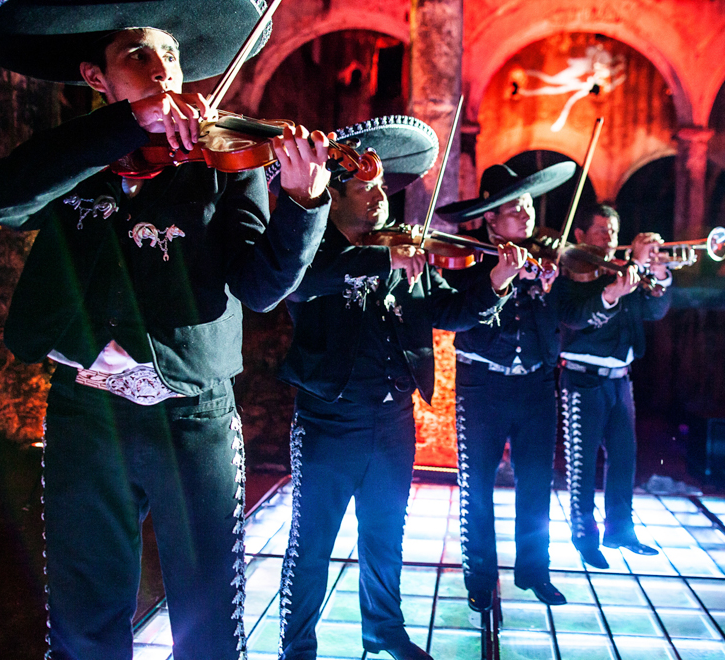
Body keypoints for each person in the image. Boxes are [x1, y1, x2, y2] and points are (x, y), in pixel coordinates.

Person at [0, 3, 333, 657]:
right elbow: (1, 198)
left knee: (208, 617)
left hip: (190, 415)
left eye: (170, 53)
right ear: (96, 77)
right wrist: (126, 126)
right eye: (138, 53)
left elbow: (258, 285)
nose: (162, 65)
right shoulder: (75, 160)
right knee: (84, 619)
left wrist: (302, 204)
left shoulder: (225, 163)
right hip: (87, 411)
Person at [276, 116, 527, 660]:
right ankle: (298, 649)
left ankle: (383, 632)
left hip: (393, 420)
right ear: (332, 196)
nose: (379, 199)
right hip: (329, 421)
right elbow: (298, 282)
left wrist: (495, 284)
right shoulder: (310, 253)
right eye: (365, 188)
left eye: (384, 188)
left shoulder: (400, 255)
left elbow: (451, 311)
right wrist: (381, 257)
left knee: (386, 536)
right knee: (311, 545)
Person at [438, 162, 613, 613]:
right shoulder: (469, 261)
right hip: (482, 387)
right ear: (491, 218)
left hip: (537, 385)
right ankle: (479, 577)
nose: (525, 213)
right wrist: (502, 277)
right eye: (514, 207)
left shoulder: (549, 261)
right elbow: (454, 307)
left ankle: (535, 572)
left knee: (536, 482)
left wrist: (565, 285)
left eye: (529, 205)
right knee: (475, 485)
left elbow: (571, 316)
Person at [554, 204, 672, 569]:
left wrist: (660, 273)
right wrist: (619, 283)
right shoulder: (570, 272)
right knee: (582, 463)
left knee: (624, 458)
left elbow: (655, 311)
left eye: (614, 232)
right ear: (580, 236)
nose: (609, 238)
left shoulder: (627, 271)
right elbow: (573, 318)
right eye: (601, 231)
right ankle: (584, 536)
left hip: (621, 380)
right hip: (582, 378)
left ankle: (620, 529)